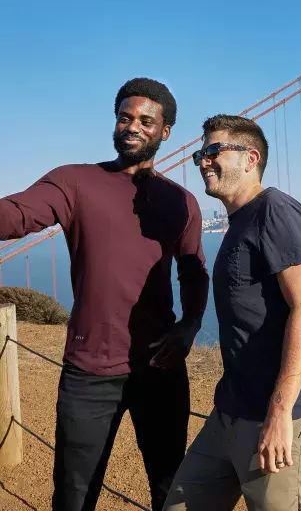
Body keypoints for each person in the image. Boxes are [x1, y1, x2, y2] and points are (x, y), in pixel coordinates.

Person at [0, 78, 209, 511]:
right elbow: (16, 215)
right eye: (125, 117)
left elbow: (193, 271)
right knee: (74, 497)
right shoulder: (74, 182)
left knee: (171, 491)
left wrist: (190, 325)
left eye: (146, 121)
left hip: (160, 367)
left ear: (165, 131)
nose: (133, 126)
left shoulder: (183, 202)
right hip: (89, 372)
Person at [164, 114, 301, 511]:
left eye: (212, 151)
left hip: (278, 414)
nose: (202, 161)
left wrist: (279, 413)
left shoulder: (275, 210)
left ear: (250, 158)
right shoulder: (240, 221)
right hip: (231, 410)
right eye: (199, 154)